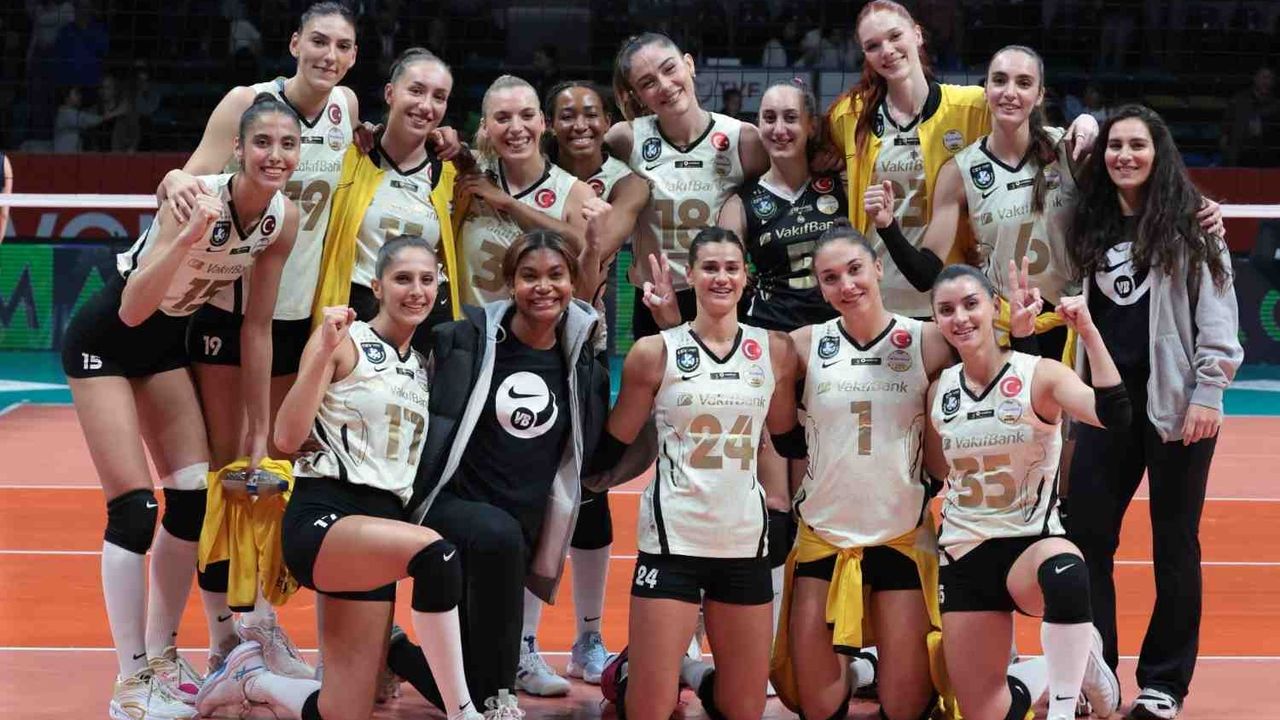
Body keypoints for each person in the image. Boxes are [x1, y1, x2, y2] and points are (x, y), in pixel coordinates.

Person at [60, 95, 299, 720]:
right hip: (107, 342)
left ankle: (164, 657)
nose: (275, 155)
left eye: (288, 144)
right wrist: (189, 235)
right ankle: (131, 682)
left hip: (164, 348)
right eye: (262, 142)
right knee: (134, 510)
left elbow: (256, 327)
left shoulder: (282, 218)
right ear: (239, 149)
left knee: (194, 501)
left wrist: (256, 432)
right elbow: (131, 309)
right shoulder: (197, 199)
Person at [195, 236, 483, 720]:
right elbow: (287, 437)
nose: (416, 290)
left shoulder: (421, 368)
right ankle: (465, 713)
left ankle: (250, 679)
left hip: (381, 529)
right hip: (326, 517)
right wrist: (323, 350)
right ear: (377, 286)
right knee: (438, 555)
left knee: (342, 711)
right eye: (402, 279)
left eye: (426, 280)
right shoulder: (344, 339)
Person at [156, 2, 362, 675]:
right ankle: (225, 639)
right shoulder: (248, 102)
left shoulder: (346, 110)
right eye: (319, 41)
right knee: (227, 476)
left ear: (354, 58)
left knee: (273, 474)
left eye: (343, 46)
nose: (329, 56)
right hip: (228, 312)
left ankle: (260, 624)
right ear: (295, 42)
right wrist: (174, 182)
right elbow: (189, 181)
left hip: (297, 315)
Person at [863, 45, 1224, 362]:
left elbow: (1137, 184)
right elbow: (926, 275)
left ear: (1039, 95)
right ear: (986, 90)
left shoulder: (1068, 149)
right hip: (1005, 326)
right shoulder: (960, 171)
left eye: (1023, 83)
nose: (1010, 92)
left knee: (1078, 420)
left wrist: (1196, 206)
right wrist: (887, 226)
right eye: (1000, 80)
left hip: (1073, 318)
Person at [1064, 105, 1244, 720]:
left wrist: (1209, 392)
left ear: (1158, 153)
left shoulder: (1192, 225)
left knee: (1174, 542)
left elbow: (1219, 314)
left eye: (1138, 145)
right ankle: (1097, 674)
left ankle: (1165, 683)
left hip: (1175, 405)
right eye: (1115, 145)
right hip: (1103, 408)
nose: (1125, 156)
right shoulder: (1086, 222)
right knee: (1086, 536)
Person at [386, 230, 609, 710]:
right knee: (494, 692)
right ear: (510, 284)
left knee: (470, 686)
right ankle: (501, 698)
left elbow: (597, 454)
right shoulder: (464, 341)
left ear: (573, 284)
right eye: (529, 276)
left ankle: (395, 651)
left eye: (555, 275)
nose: (543, 287)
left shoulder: (581, 365)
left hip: (516, 529)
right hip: (455, 509)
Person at [593, 227, 800, 720]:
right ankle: (643, 672)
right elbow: (615, 441)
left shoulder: (775, 350)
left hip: (743, 541)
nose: (721, 277)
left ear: (746, 277)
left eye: (731, 268)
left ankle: (692, 674)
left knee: (745, 708)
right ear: (691, 275)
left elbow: (787, 439)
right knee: (649, 709)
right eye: (710, 268)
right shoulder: (655, 352)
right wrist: (575, 484)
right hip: (673, 541)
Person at [924, 264, 1125, 720]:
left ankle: (1063, 707)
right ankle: (1064, 664)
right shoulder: (940, 390)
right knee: (982, 710)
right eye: (946, 310)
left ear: (993, 307)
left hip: (1028, 546)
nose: (960, 318)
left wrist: (1089, 333)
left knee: (1066, 573)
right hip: (963, 551)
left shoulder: (1041, 374)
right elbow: (937, 471)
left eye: (971, 304)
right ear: (935, 320)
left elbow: (1114, 414)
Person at [775, 225, 953, 720]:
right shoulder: (802, 346)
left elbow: (998, 370)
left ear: (877, 267)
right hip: (824, 539)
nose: (846, 285)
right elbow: (776, 429)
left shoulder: (928, 341)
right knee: (819, 709)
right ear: (819, 286)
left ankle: (877, 668)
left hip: (900, 538)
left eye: (855, 270)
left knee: (906, 709)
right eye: (830, 278)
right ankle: (859, 670)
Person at [827, 1, 1098, 319]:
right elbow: (813, 155)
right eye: (873, 45)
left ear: (917, 35)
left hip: (952, 297)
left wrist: (1088, 122)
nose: (886, 50)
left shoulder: (972, 105)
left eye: (895, 36)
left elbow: (1023, 118)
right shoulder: (848, 114)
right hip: (877, 292)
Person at [713, 78, 848, 691]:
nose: (779, 128)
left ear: (810, 124)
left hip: (837, 354)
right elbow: (721, 278)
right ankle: (767, 646)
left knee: (828, 496)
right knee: (776, 505)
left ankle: (835, 640)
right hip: (770, 354)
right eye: (768, 118)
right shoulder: (741, 202)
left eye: (790, 117)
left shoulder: (839, 185)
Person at [517, 79, 649, 687]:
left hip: (587, 353)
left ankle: (589, 637)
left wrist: (502, 200)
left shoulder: (626, 181)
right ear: (549, 123)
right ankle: (522, 642)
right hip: (521, 351)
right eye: (566, 114)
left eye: (591, 113)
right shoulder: (526, 170)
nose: (579, 124)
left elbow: (590, 247)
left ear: (608, 118)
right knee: (528, 495)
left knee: (590, 492)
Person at [607, 31, 769, 337]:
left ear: (689, 65)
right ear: (637, 95)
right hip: (654, 299)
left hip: (721, 294)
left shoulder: (743, 139)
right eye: (648, 83)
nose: (665, 85)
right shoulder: (626, 138)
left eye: (669, 69)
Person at [316, 47, 459, 355]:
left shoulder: (452, 173)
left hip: (425, 322)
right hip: (354, 311)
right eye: (416, 91)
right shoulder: (350, 156)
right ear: (390, 93)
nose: (426, 105)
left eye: (439, 97)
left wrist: (465, 156)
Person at [455, 75, 594, 316]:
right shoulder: (468, 173)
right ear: (485, 127)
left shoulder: (576, 192)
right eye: (502, 118)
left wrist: (508, 203)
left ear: (542, 122)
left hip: (543, 334)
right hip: (469, 332)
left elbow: (583, 274)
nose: (516, 128)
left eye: (527, 115)